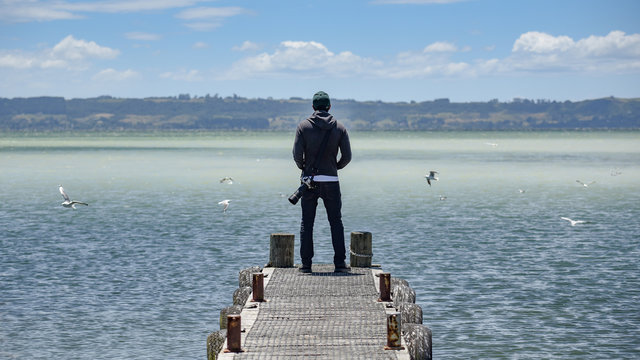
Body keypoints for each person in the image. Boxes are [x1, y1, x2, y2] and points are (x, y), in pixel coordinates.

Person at [293, 91, 352, 273]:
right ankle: (340, 264)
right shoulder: (340, 128)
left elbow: (296, 155)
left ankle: (306, 265)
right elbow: (347, 157)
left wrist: (305, 167)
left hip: (309, 182)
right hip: (332, 181)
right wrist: (334, 167)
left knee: (307, 223)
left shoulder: (303, 126)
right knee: (336, 222)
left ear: (313, 107)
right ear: (329, 107)